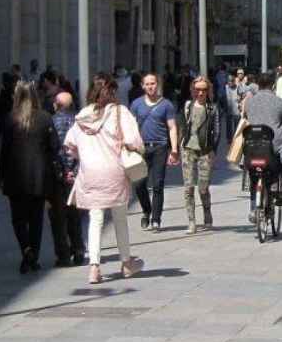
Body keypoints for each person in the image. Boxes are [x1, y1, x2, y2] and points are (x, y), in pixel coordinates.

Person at [63, 73, 145, 285]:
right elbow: (134, 141)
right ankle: (126, 263)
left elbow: (70, 144)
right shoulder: (119, 112)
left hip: (89, 173)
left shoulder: (82, 115)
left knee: (95, 218)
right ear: (113, 91)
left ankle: (94, 268)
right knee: (119, 217)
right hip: (114, 170)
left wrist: (85, 155)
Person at [0, 82, 61, 273]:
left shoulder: (10, 119)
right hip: (39, 177)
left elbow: (4, 151)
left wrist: (0, 176)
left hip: (15, 177)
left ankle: (26, 250)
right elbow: (54, 147)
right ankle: (33, 255)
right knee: (36, 219)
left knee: (18, 219)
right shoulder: (45, 117)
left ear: (16, 96)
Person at [130, 73, 179, 232]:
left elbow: (172, 127)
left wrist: (174, 149)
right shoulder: (136, 104)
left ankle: (156, 219)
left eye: (153, 83)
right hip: (141, 148)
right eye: (147, 84)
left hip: (160, 147)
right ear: (142, 86)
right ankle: (147, 210)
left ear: (157, 85)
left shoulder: (166, 105)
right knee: (139, 184)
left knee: (158, 184)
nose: (150, 86)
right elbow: (131, 126)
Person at [244, 71, 282, 222]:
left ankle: (253, 207)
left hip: (252, 146)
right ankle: (278, 188)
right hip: (272, 148)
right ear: (273, 85)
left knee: (253, 176)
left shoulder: (250, 102)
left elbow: (246, 116)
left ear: (258, 85)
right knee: (281, 163)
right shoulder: (280, 102)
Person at [176, 76, 220, 234]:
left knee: (203, 187)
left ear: (208, 91)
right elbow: (181, 125)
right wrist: (176, 147)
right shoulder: (187, 106)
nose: (200, 93)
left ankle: (207, 215)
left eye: (204, 90)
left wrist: (213, 149)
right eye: (197, 89)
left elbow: (217, 130)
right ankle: (191, 221)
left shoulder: (212, 108)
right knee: (188, 188)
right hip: (188, 149)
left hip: (205, 151)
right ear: (193, 90)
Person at [50, 91, 85, 266]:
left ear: (56, 105)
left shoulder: (51, 122)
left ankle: (63, 254)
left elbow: (52, 151)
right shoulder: (79, 123)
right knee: (75, 215)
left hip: (58, 176)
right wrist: (75, 171)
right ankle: (78, 250)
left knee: (57, 216)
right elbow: (83, 150)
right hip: (76, 175)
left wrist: (63, 172)